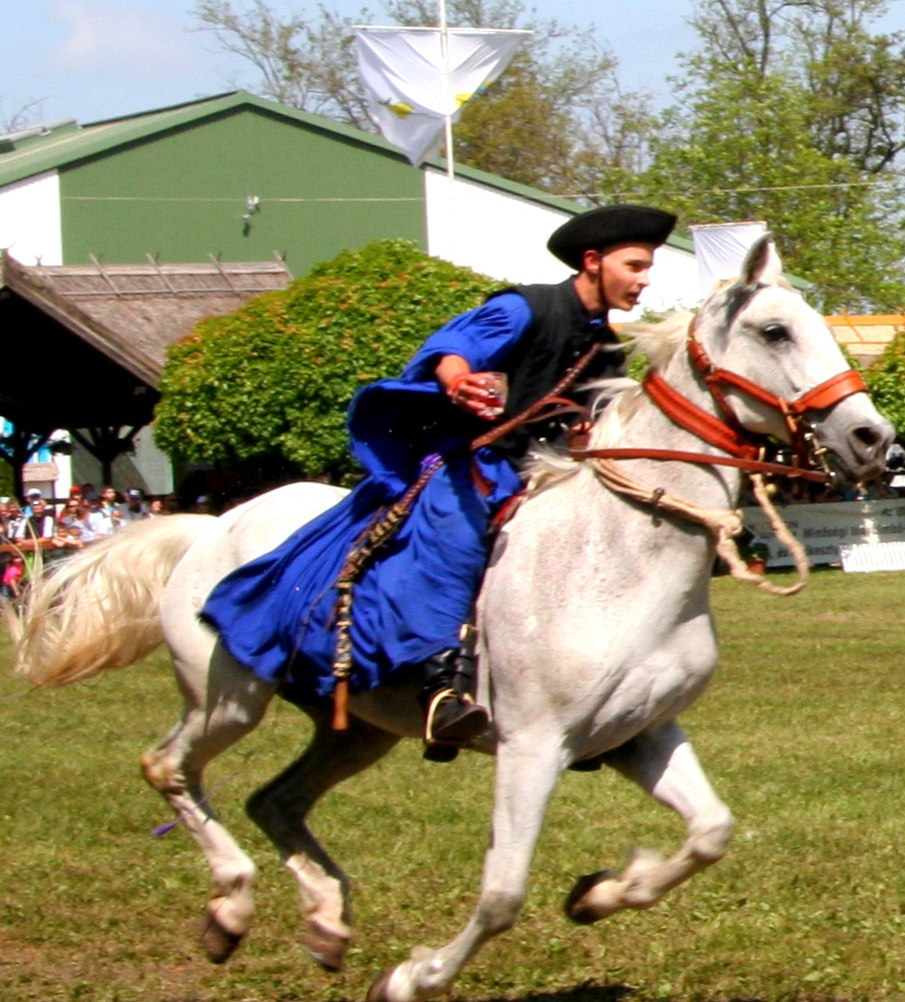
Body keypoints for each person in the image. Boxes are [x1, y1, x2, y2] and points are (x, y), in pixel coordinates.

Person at [202, 204, 676, 762]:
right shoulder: (524, 308)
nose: (644, 280)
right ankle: (441, 688)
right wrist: (460, 383)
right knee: (457, 541)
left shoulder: (609, 344)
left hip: (548, 474)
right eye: (635, 266)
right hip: (476, 466)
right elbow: (451, 352)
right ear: (593, 262)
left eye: (647, 269)